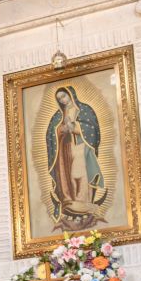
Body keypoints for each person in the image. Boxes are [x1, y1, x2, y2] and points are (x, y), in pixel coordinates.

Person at [45, 86, 106, 225]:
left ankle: (84, 207)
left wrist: (75, 126)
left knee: (81, 176)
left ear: (71, 94)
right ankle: (71, 207)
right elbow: (51, 134)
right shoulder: (58, 115)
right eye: (59, 99)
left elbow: (92, 129)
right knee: (69, 178)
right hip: (65, 151)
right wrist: (62, 129)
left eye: (64, 96)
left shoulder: (84, 110)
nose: (63, 100)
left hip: (81, 148)